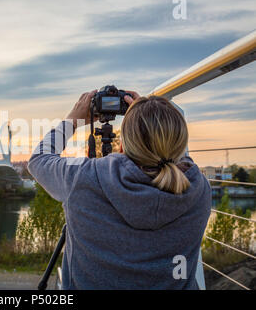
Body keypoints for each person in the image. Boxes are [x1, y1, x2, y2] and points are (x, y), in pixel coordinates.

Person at [27, 90, 211, 290]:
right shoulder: (199, 189)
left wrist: (74, 120)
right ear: (180, 142)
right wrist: (149, 115)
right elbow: (177, 159)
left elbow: (39, 159)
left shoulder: (83, 178)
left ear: (122, 145)